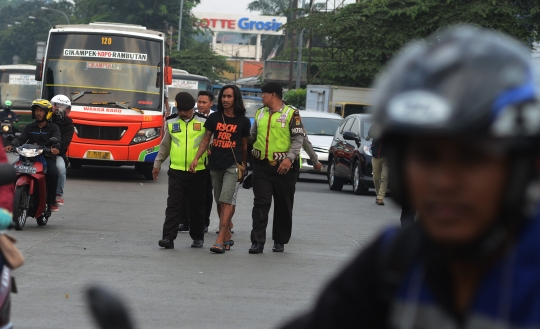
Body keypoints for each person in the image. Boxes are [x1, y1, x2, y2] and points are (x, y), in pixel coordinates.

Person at [280, 26, 540, 328]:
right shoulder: (396, 261)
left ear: (521, 168)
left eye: (471, 159)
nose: (444, 182)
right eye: (427, 158)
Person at [189, 85, 250, 254]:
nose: (226, 99)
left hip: (232, 164)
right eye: (223, 96)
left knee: (226, 200)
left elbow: (244, 147)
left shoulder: (243, 121)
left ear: (235, 98)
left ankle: (219, 240)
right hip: (215, 165)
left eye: (229, 96)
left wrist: (243, 166)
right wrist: (196, 158)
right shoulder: (214, 118)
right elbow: (205, 139)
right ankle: (227, 234)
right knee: (219, 201)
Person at [248, 82, 304, 254]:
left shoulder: (291, 113)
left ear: (272, 95)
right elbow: (252, 137)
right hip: (262, 167)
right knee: (261, 204)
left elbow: (298, 139)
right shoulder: (260, 113)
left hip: (284, 168)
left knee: (283, 205)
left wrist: (289, 159)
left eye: (263, 94)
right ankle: (257, 241)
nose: (261, 97)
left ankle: (280, 240)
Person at [153, 92, 208, 250]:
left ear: (192, 108)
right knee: (173, 206)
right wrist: (157, 164)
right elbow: (165, 145)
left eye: (186, 110)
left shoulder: (203, 121)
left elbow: (208, 144)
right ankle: (168, 238)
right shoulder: (171, 122)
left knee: (196, 206)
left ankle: (197, 237)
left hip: (198, 172)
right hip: (176, 171)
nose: (183, 113)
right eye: (181, 110)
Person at [4, 99, 60, 212]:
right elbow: (20, 139)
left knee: (53, 172)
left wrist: (55, 148)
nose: (38, 113)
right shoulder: (29, 127)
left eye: (41, 110)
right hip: (28, 156)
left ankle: (51, 201)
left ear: (47, 112)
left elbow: (57, 141)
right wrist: (12, 145)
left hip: (46, 157)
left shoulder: (53, 127)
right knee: (11, 170)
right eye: (36, 110)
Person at [178, 90, 215, 234]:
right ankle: (185, 221)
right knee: (186, 193)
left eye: (204, 102)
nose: (201, 105)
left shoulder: (213, 118)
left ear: (211, 104)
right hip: (188, 161)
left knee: (205, 194)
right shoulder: (191, 117)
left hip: (206, 163)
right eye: (199, 102)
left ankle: (204, 222)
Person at [50, 94, 74, 208]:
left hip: (58, 154)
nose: (60, 109)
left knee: (60, 169)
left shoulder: (69, 126)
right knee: (16, 164)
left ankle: (58, 194)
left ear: (68, 109)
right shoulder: (46, 120)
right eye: (57, 106)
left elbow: (65, 142)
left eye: (63, 107)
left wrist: (56, 149)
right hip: (40, 152)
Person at [366, 123, 388, 205]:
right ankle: (378, 193)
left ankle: (380, 197)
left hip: (387, 156)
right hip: (376, 155)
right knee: (376, 177)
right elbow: (370, 134)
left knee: (384, 176)